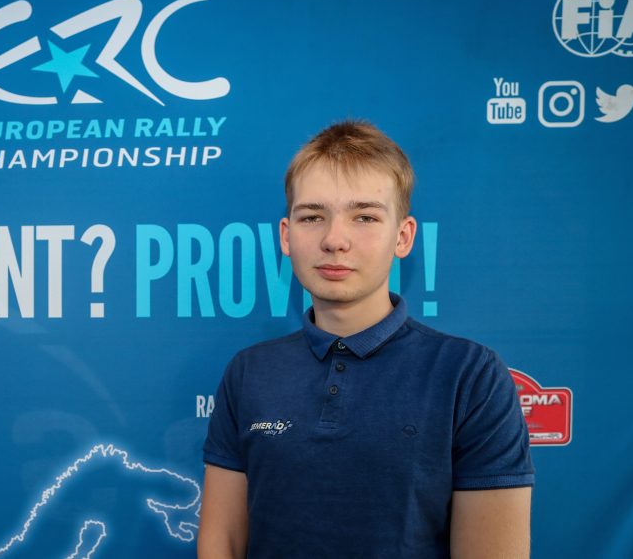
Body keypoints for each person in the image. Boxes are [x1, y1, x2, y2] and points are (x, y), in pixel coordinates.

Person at [198, 120, 534, 558]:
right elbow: (222, 542)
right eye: (312, 217)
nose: (335, 240)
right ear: (286, 235)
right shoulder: (250, 372)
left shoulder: (469, 375)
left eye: (365, 217)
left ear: (403, 236)